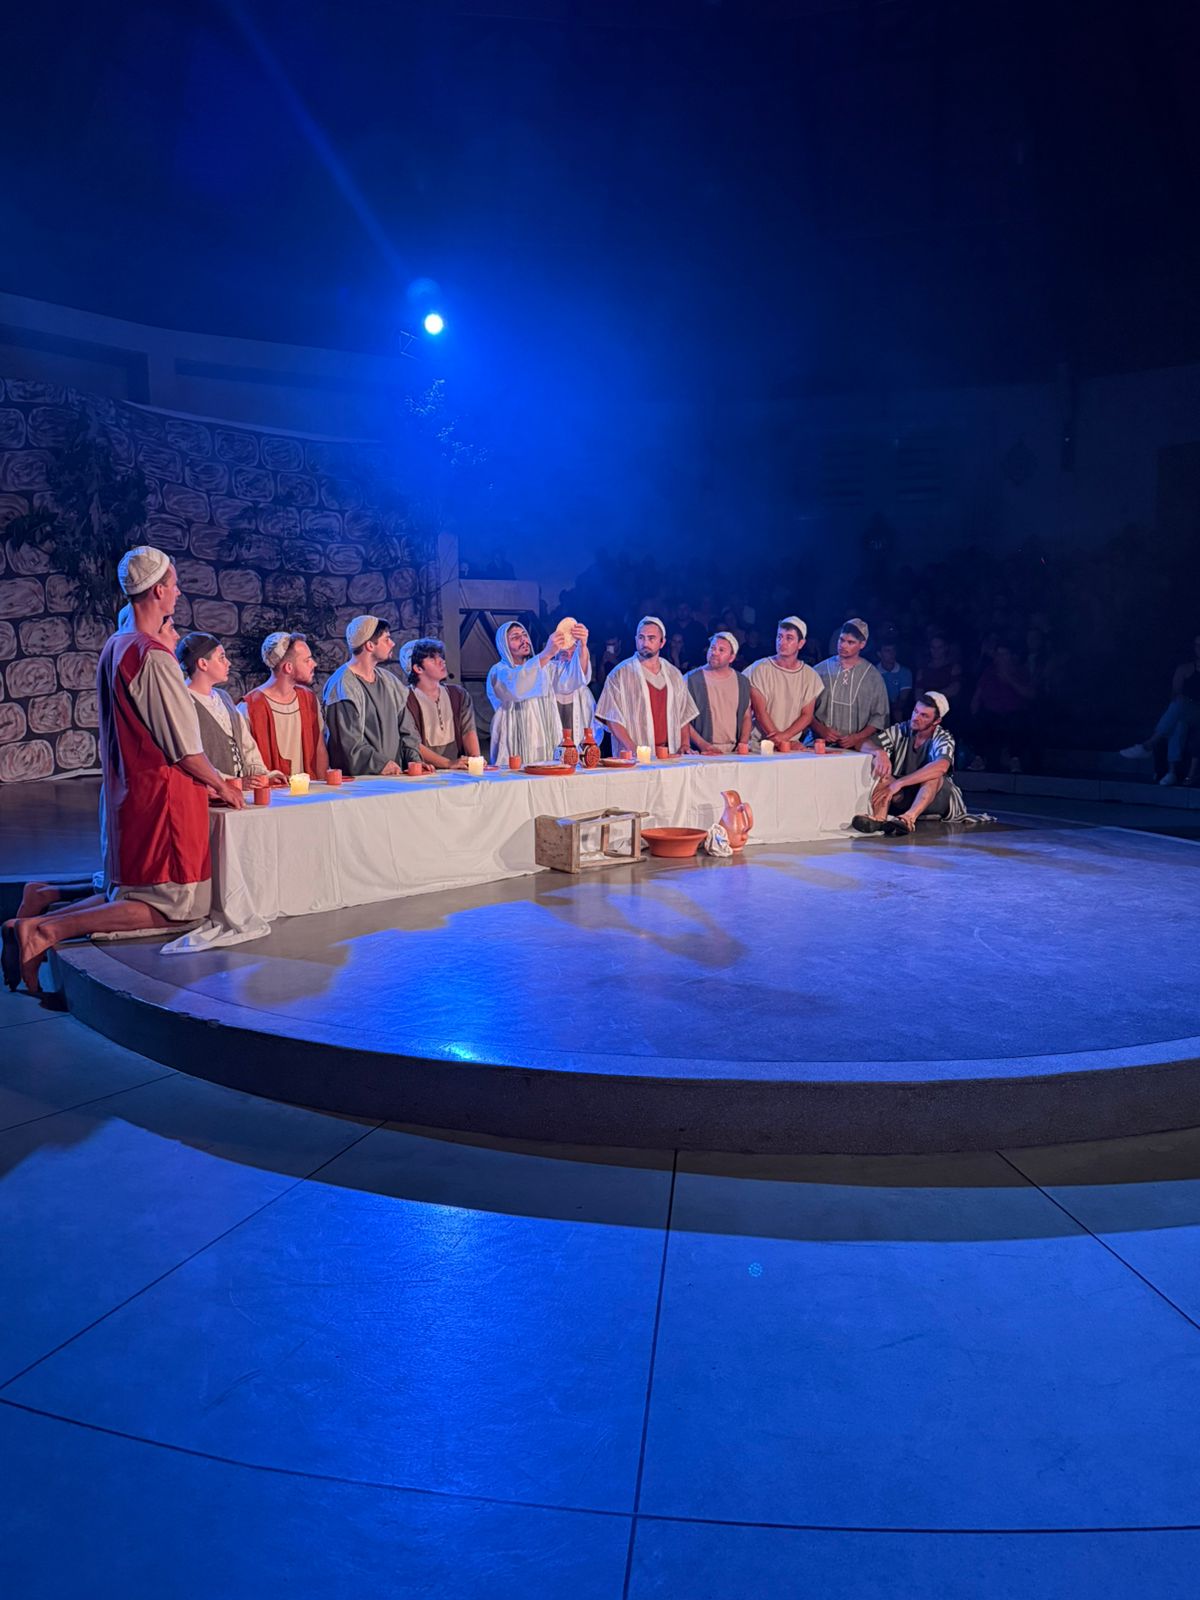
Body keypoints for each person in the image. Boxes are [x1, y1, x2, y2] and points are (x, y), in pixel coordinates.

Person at [4, 546, 243, 994]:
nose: (178, 592)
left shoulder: (117, 644)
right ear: (157, 591)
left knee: (136, 892)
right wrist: (222, 785)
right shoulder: (152, 655)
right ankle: (47, 930)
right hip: (163, 798)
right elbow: (183, 747)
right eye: (174, 585)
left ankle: (37, 919)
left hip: (131, 788)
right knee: (175, 906)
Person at [851, 692, 967, 835]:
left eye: (924, 716)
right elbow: (861, 743)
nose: (916, 718)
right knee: (882, 771)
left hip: (937, 799)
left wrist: (899, 783)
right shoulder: (902, 729)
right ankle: (879, 820)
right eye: (915, 711)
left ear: (936, 721)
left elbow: (941, 767)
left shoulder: (943, 737)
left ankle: (908, 819)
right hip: (906, 794)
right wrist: (879, 753)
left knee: (933, 777)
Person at [322, 615, 425, 776]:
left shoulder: (389, 681)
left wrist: (415, 761)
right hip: (362, 783)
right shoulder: (342, 687)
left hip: (395, 778)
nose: (392, 643)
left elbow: (407, 730)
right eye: (386, 639)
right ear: (370, 645)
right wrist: (380, 765)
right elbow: (348, 743)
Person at [177, 632, 282, 788]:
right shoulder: (183, 703)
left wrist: (261, 775)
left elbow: (247, 745)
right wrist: (228, 782)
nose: (228, 663)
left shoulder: (224, 697)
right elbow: (190, 758)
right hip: (209, 792)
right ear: (203, 664)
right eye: (221, 658)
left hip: (240, 793)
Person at [486, 619, 590, 766]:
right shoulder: (499, 672)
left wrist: (582, 645)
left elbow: (575, 678)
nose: (524, 640)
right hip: (515, 747)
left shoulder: (547, 668)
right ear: (503, 645)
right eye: (516, 637)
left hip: (547, 745)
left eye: (525, 635)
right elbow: (517, 686)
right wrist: (547, 653)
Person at [595, 615, 699, 756]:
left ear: (662, 642)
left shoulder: (674, 674)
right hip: (634, 757)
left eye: (651, 638)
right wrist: (634, 750)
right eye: (641, 637)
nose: (645, 643)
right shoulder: (619, 674)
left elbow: (683, 714)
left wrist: (685, 744)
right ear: (636, 639)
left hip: (670, 754)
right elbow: (612, 718)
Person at [240, 631, 329, 780]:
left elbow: (319, 749)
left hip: (310, 790)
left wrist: (324, 787)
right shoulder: (250, 707)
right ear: (288, 667)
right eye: (307, 660)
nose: (314, 664)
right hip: (273, 792)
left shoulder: (309, 699)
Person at [1120, 632, 1200, 787]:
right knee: (1179, 722)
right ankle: (1172, 772)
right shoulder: (1184, 669)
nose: (1199, 648)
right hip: (1184, 712)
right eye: (1197, 645)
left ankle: (1148, 745)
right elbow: (1175, 694)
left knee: (1181, 708)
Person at [399, 637, 481, 770]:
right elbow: (412, 742)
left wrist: (475, 759)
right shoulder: (405, 699)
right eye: (432, 659)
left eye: (440, 657)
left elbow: (468, 731)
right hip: (425, 770)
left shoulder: (458, 694)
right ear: (418, 668)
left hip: (458, 769)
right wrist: (448, 763)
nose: (441, 661)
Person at [743, 616, 824, 748]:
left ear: (801, 643)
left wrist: (785, 737)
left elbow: (807, 715)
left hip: (791, 744)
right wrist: (780, 740)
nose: (782, 642)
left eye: (789, 638)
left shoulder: (809, 676)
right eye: (779, 637)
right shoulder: (760, 668)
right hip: (760, 745)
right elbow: (760, 712)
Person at [811, 618, 890, 750]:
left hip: (857, 747)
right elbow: (804, 709)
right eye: (841, 640)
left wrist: (857, 737)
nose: (843, 645)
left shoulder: (872, 677)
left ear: (862, 644)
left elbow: (879, 717)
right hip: (820, 745)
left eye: (850, 642)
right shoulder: (820, 670)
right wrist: (821, 729)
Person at [970, 642, 1034, 773]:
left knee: (1017, 723)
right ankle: (979, 759)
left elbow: (1030, 694)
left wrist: (1009, 680)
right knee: (979, 722)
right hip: (991, 713)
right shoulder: (989, 672)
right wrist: (974, 712)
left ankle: (1015, 760)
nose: (1000, 658)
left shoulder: (1020, 671)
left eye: (1004, 654)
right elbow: (977, 695)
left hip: (1014, 713)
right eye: (998, 654)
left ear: (1011, 656)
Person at [685, 632, 751, 754]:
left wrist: (743, 742)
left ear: (731, 657)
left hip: (734, 752)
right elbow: (683, 720)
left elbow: (746, 716)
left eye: (721, 650)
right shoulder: (691, 680)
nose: (714, 653)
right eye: (712, 648)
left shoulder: (742, 681)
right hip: (703, 752)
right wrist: (702, 745)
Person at [876, 640, 914, 724]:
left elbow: (903, 698)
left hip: (898, 709)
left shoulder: (905, 672)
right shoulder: (872, 673)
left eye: (893, 650)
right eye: (887, 651)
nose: (892, 654)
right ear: (879, 654)